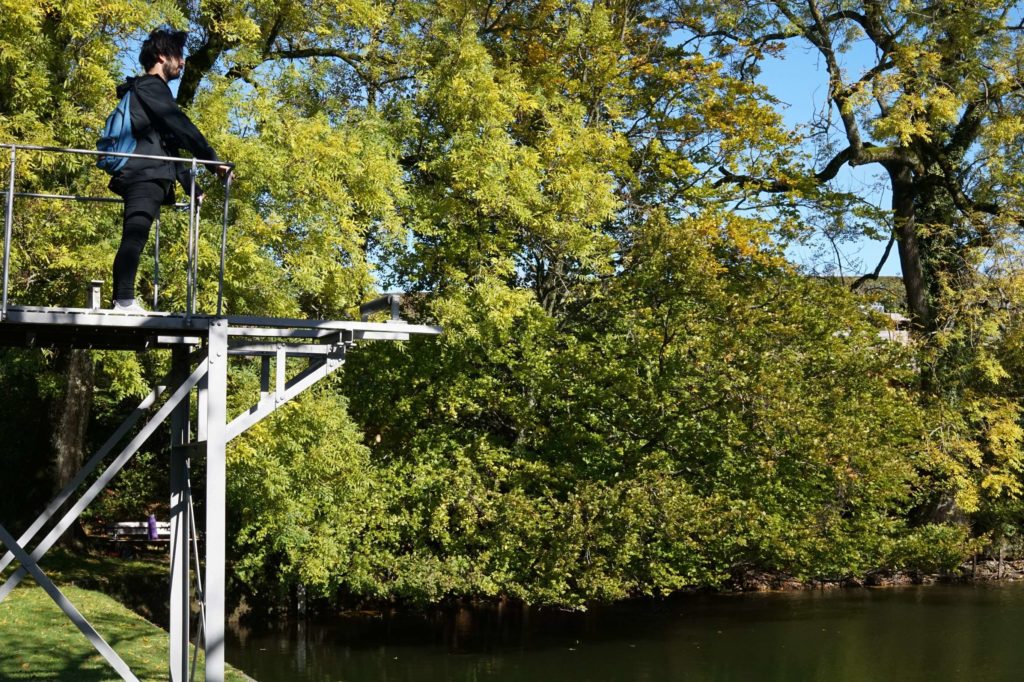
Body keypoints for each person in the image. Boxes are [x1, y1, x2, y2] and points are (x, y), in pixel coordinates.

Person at [107, 28, 231, 313]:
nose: (183, 63)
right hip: (143, 173)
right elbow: (180, 126)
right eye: (179, 56)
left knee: (136, 234)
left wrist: (192, 187)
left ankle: (123, 300)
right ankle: (124, 300)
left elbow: (170, 146)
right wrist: (212, 161)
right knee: (135, 234)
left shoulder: (152, 93)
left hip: (149, 172)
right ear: (163, 57)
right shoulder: (150, 87)